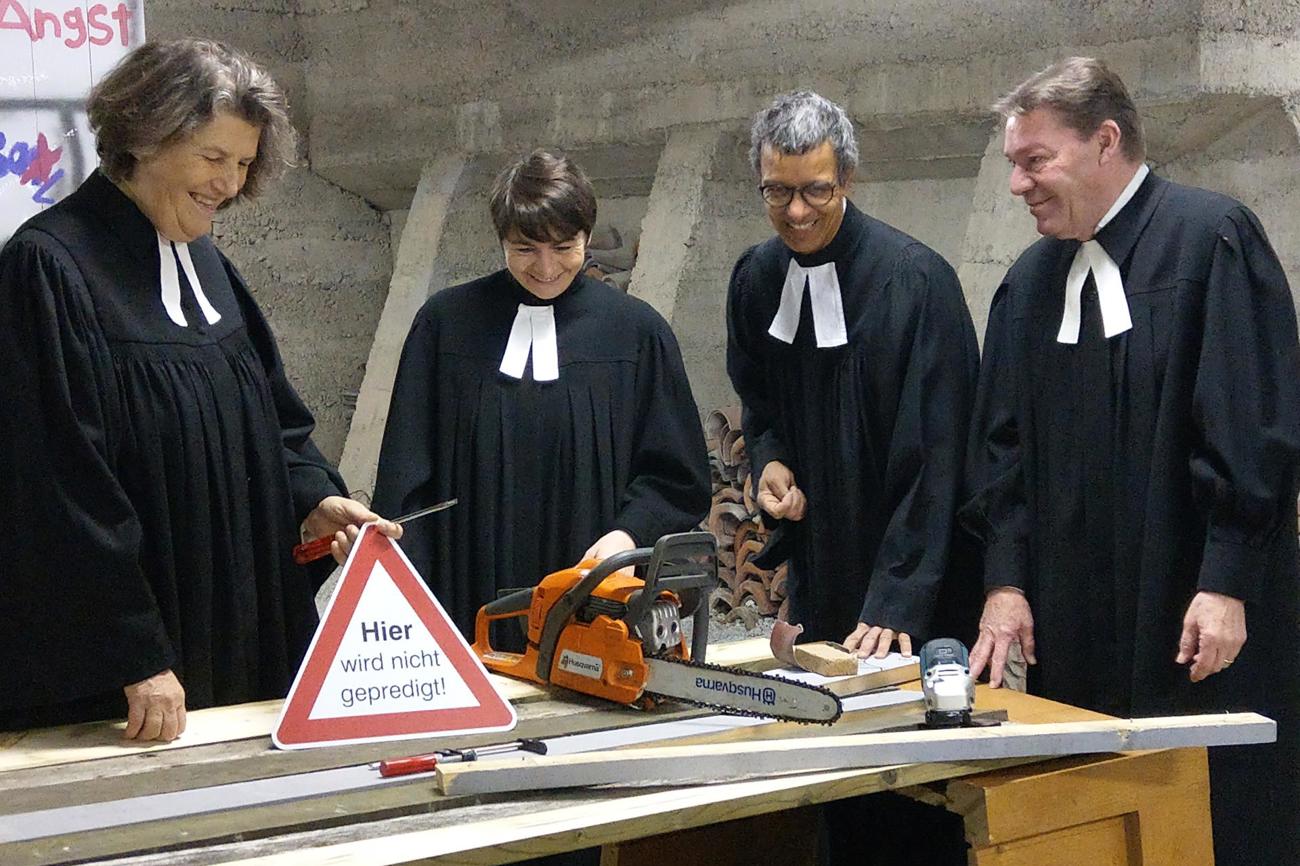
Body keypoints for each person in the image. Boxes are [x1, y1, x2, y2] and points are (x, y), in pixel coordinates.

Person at [0, 39, 398, 742]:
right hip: (130, 671)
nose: (228, 183)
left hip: (236, 632)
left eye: (243, 164)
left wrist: (314, 498)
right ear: (145, 136)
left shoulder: (208, 266)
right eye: (213, 158)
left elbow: (275, 421)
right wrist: (136, 651)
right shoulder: (48, 267)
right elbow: (59, 488)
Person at [962, 57, 1300, 865]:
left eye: (1034, 159)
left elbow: (1253, 426)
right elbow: (998, 453)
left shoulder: (1211, 240)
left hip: (1192, 615)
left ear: (1106, 141)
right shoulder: (1029, 283)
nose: (1019, 183)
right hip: (1073, 632)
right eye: (1014, 163)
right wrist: (1005, 584)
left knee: (1217, 815)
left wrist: (1226, 581)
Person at [372, 149, 710, 642]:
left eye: (564, 247)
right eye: (525, 248)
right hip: (463, 595)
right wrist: (414, 606)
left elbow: (676, 477)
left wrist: (628, 535)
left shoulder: (637, 335)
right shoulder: (445, 326)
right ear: (501, 240)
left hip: (594, 591)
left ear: (587, 236)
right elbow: (406, 478)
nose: (546, 267)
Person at [726, 91, 980, 657]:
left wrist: (897, 596)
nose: (796, 211)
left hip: (917, 585)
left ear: (847, 178)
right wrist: (772, 461)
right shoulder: (756, 280)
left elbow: (939, 459)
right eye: (778, 191)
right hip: (824, 563)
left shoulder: (916, 283)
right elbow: (758, 399)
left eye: (816, 188)